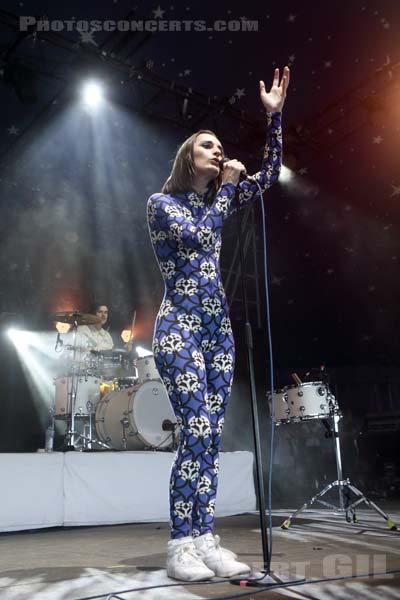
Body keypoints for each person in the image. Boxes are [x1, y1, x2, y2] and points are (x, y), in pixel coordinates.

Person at [147, 67, 290, 581]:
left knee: (210, 438)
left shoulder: (219, 200)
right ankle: (179, 544)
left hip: (218, 332)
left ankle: (205, 538)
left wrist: (273, 121)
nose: (218, 150)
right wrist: (228, 187)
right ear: (190, 157)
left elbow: (270, 176)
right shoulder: (162, 206)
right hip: (180, 328)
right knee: (197, 429)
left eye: (220, 146)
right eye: (208, 145)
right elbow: (204, 239)